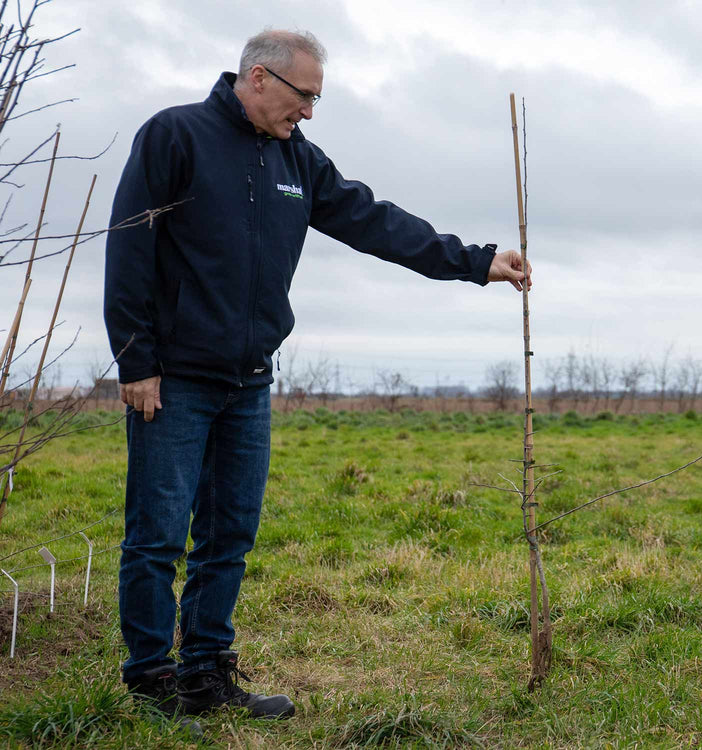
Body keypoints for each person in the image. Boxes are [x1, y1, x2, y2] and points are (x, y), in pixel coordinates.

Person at [104, 29, 532, 721]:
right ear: (261, 78)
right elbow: (128, 249)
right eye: (305, 96)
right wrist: (137, 362)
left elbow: (374, 221)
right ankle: (151, 678)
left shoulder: (298, 162)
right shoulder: (175, 136)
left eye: (316, 100)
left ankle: (206, 675)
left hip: (249, 380)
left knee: (230, 535)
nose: (309, 112)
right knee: (157, 533)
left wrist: (476, 261)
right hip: (173, 379)